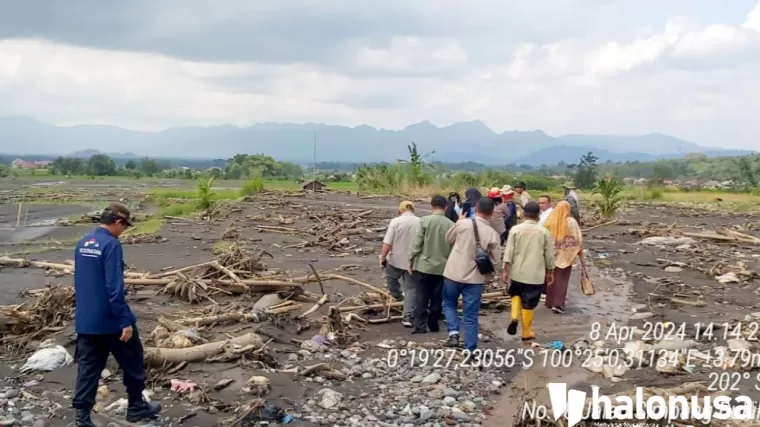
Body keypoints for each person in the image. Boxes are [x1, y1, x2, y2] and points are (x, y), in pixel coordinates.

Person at [72, 203, 161, 426]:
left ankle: (82, 418)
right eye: (125, 226)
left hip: (86, 319)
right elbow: (114, 288)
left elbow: (82, 282)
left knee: (88, 368)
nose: (124, 230)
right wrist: (124, 321)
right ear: (119, 222)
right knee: (133, 360)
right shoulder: (111, 245)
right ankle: (136, 406)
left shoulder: (83, 243)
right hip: (111, 319)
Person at [442, 198, 502, 350]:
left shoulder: (463, 224)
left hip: (453, 273)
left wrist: (459, 221)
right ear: (492, 213)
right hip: (475, 279)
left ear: (476, 208)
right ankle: (470, 349)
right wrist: (492, 275)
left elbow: (448, 238)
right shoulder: (493, 234)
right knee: (471, 315)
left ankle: (453, 333)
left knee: (449, 304)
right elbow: (496, 261)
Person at [501, 201, 555, 342]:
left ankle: (514, 317)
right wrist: (550, 271)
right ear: (538, 215)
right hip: (535, 274)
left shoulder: (515, 230)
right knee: (529, 302)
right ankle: (526, 332)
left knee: (515, 294)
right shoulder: (544, 232)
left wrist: (506, 269)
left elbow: (509, 251)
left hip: (517, 272)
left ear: (524, 213)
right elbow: (549, 255)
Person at [408, 195, 455, 334]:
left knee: (421, 296)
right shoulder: (451, 225)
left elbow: (417, 244)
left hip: (424, 266)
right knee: (437, 297)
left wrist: (411, 260)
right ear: (445, 207)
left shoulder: (424, 221)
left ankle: (420, 326)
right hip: (443, 267)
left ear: (432, 206)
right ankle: (433, 324)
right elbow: (453, 248)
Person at [380, 201, 421, 327]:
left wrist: (382, 256)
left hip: (395, 260)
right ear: (413, 210)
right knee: (411, 289)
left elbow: (388, 242)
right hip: (413, 261)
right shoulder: (420, 222)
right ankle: (407, 317)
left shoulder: (396, 221)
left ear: (401, 210)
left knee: (391, 280)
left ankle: (398, 297)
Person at [543, 200, 583, 314]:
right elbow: (577, 239)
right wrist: (578, 252)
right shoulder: (571, 222)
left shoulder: (550, 221)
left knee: (551, 277)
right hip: (565, 256)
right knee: (562, 279)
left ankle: (549, 302)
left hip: (551, 255)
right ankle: (558, 304)